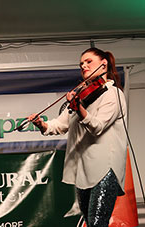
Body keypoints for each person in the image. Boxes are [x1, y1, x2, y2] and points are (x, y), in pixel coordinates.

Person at [27, 47, 127, 227]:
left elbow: (98, 126)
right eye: (81, 64)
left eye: (89, 62)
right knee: (89, 222)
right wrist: (41, 124)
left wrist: (79, 109)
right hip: (83, 169)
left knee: (97, 223)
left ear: (103, 65)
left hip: (105, 167)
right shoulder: (82, 94)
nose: (83, 66)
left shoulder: (113, 94)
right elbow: (60, 124)